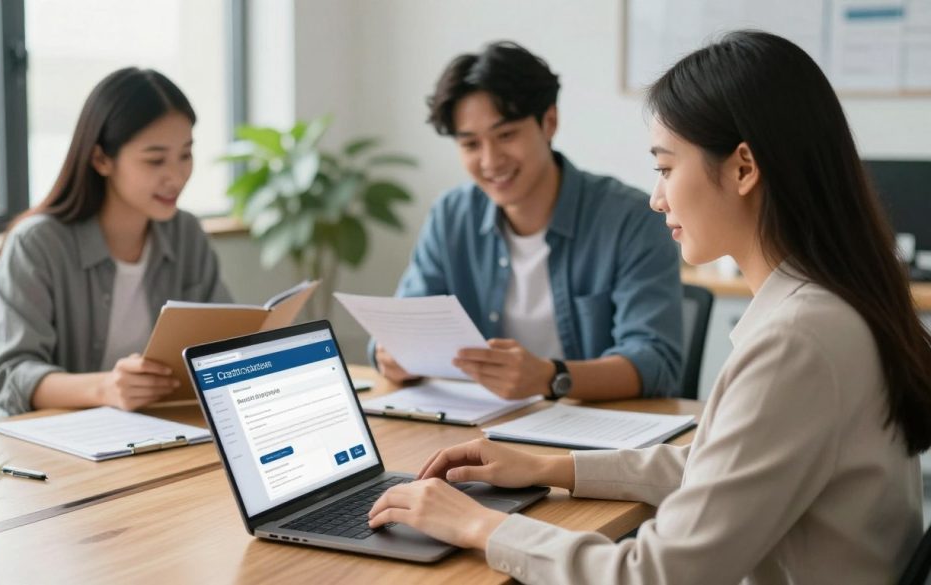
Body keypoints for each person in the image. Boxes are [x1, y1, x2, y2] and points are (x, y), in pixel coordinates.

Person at [367, 31, 931, 583]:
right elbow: (721, 469)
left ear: (742, 168)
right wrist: (549, 466)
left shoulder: (797, 342)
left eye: (665, 167)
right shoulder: (828, 307)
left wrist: (479, 525)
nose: (658, 196)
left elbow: (658, 572)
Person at [374, 41, 683, 401]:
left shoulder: (630, 219)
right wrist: (391, 357)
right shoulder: (451, 216)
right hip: (480, 428)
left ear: (549, 121)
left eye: (506, 135)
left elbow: (655, 360)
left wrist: (550, 377)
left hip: (597, 435)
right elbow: (401, 329)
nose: (490, 161)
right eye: (471, 144)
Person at [0, 67, 231, 418]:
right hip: (50, 439)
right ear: (101, 159)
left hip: (153, 427)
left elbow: (224, 342)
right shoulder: (37, 243)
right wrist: (106, 388)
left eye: (186, 155)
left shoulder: (186, 232)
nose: (176, 176)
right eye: (155, 159)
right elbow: (11, 374)